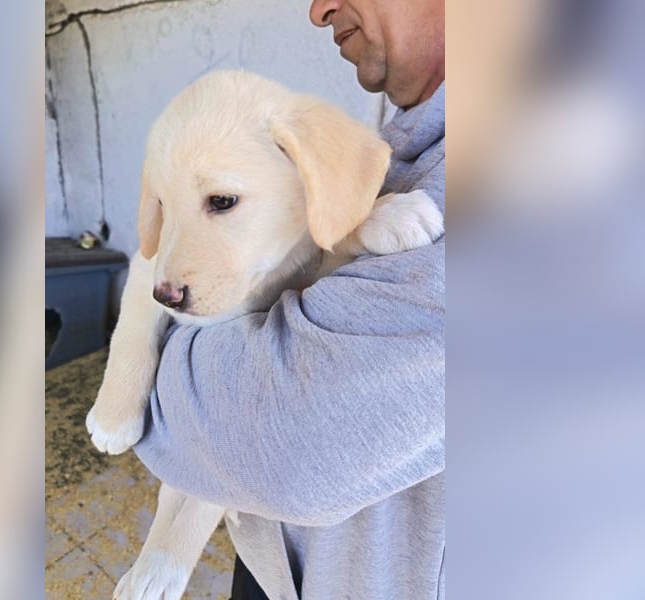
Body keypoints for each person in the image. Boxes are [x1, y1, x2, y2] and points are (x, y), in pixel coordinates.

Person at [134, 0, 445, 598]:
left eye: (221, 201)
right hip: (273, 560)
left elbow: (281, 439)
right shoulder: (397, 140)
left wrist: (156, 368)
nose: (318, 8)